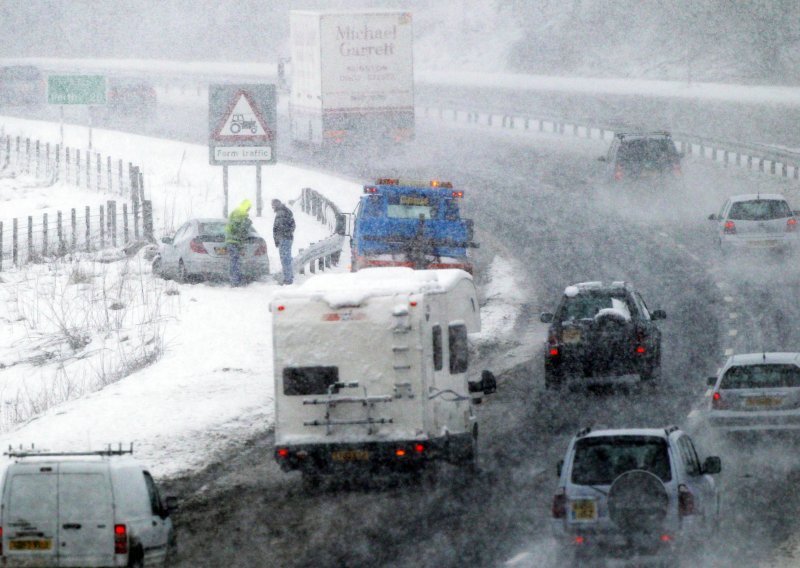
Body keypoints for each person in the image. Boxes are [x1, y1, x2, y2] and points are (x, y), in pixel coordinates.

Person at [225, 199, 253, 287]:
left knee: (234, 261)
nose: (249, 209)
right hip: (234, 241)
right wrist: (245, 225)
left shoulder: (237, 212)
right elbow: (237, 228)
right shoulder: (240, 214)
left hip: (232, 240)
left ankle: (235, 279)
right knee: (235, 261)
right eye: (248, 208)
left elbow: (231, 226)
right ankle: (235, 281)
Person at [272, 199, 295, 285]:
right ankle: (289, 276)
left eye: (273, 205)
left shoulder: (281, 213)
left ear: (276, 205)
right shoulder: (287, 211)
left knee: (285, 259)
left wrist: (280, 236)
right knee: (287, 258)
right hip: (288, 238)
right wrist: (289, 233)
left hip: (284, 239)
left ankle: (288, 279)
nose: (272, 207)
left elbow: (278, 228)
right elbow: (293, 225)